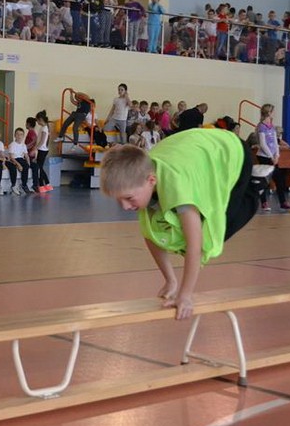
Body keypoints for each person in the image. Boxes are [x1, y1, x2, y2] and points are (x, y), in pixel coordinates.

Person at [100, 128, 267, 320]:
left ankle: (256, 185)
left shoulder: (178, 187)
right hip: (194, 151)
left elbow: (195, 246)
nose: (124, 206)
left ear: (151, 180)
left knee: (217, 229)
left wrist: (185, 295)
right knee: (172, 225)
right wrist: (170, 280)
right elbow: (150, 236)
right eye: (119, 200)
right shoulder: (142, 180)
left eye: (129, 198)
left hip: (231, 151)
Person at [256, 104, 290, 211]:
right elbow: (263, 144)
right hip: (264, 157)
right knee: (264, 180)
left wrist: (277, 155)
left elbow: (276, 142)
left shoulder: (272, 126)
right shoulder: (261, 127)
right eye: (272, 111)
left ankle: (283, 202)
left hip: (273, 157)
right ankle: (264, 202)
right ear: (269, 112)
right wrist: (271, 156)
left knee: (279, 179)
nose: (273, 113)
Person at [6, 128, 30, 196]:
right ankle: (14, 186)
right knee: (17, 166)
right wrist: (18, 165)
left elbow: (26, 156)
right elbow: (11, 157)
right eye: (17, 134)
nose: (19, 136)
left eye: (21, 134)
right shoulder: (12, 145)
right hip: (14, 159)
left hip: (21, 159)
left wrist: (28, 163)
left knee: (27, 166)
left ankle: (24, 184)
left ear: (23, 136)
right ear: (15, 135)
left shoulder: (23, 145)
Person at [35, 110, 52, 192]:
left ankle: (42, 185)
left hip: (42, 150)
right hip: (42, 149)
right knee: (40, 168)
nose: (37, 122)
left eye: (37, 120)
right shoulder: (44, 127)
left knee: (39, 168)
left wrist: (35, 148)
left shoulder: (44, 128)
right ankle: (47, 184)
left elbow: (42, 141)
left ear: (40, 120)